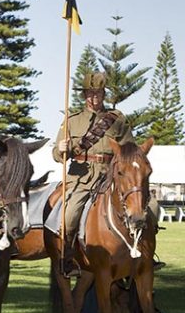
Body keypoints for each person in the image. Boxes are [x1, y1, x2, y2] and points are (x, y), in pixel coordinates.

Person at [54, 72, 134, 277]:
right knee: (70, 213)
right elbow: (56, 155)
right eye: (90, 93)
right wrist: (62, 148)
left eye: (98, 93)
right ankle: (68, 257)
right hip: (82, 177)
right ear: (84, 95)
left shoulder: (117, 119)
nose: (94, 98)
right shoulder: (72, 121)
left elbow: (129, 150)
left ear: (104, 94)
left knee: (145, 208)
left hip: (111, 176)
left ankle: (143, 254)